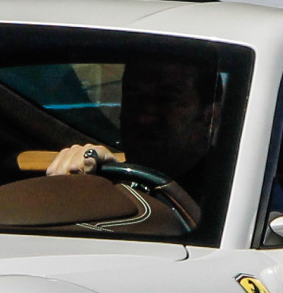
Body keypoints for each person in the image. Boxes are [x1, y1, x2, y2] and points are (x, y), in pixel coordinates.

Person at [44, 58, 224, 206]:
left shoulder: (229, 197)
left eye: (167, 99)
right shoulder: (110, 185)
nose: (144, 117)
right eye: (133, 97)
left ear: (210, 117)